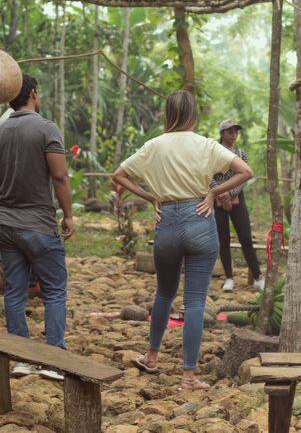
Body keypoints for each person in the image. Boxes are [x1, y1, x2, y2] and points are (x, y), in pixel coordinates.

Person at [112, 90, 254, 391]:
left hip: (166, 221)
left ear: (169, 113)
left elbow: (119, 175)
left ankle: (152, 357)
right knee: (195, 301)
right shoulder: (205, 144)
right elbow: (245, 171)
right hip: (200, 218)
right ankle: (188, 376)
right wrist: (213, 192)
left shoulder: (154, 146)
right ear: (194, 114)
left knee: (164, 293)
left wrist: (151, 197)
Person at [0, 75, 75, 377]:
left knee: (14, 291)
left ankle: (22, 358)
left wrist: (1, 209)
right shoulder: (46, 129)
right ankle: (55, 357)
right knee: (55, 290)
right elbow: (59, 176)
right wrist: (69, 215)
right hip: (39, 225)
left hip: (7, 225)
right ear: (33, 94)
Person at [211, 119, 263, 291]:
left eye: (236, 131)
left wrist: (230, 193)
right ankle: (229, 278)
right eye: (230, 131)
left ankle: (258, 276)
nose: (234, 134)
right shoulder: (214, 152)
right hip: (218, 198)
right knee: (223, 239)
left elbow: (245, 179)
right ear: (222, 133)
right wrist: (219, 192)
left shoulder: (242, 154)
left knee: (246, 237)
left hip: (237, 198)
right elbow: (208, 175)